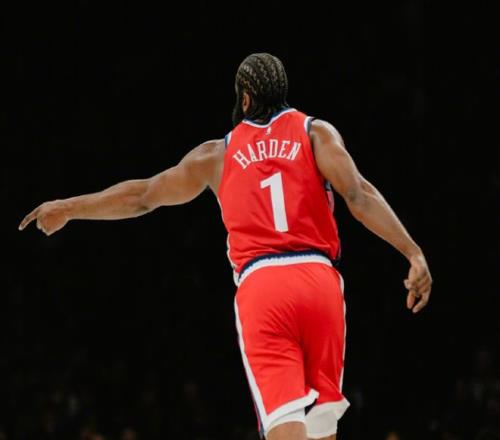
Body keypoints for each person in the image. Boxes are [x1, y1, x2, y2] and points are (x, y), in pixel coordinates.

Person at [19, 53, 432, 440]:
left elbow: (143, 196)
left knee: (285, 427)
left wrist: (69, 207)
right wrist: (412, 252)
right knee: (322, 430)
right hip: (320, 282)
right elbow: (359, 195)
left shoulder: (217, 153)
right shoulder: (315, 132)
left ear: (245, 98)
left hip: (264, 286)